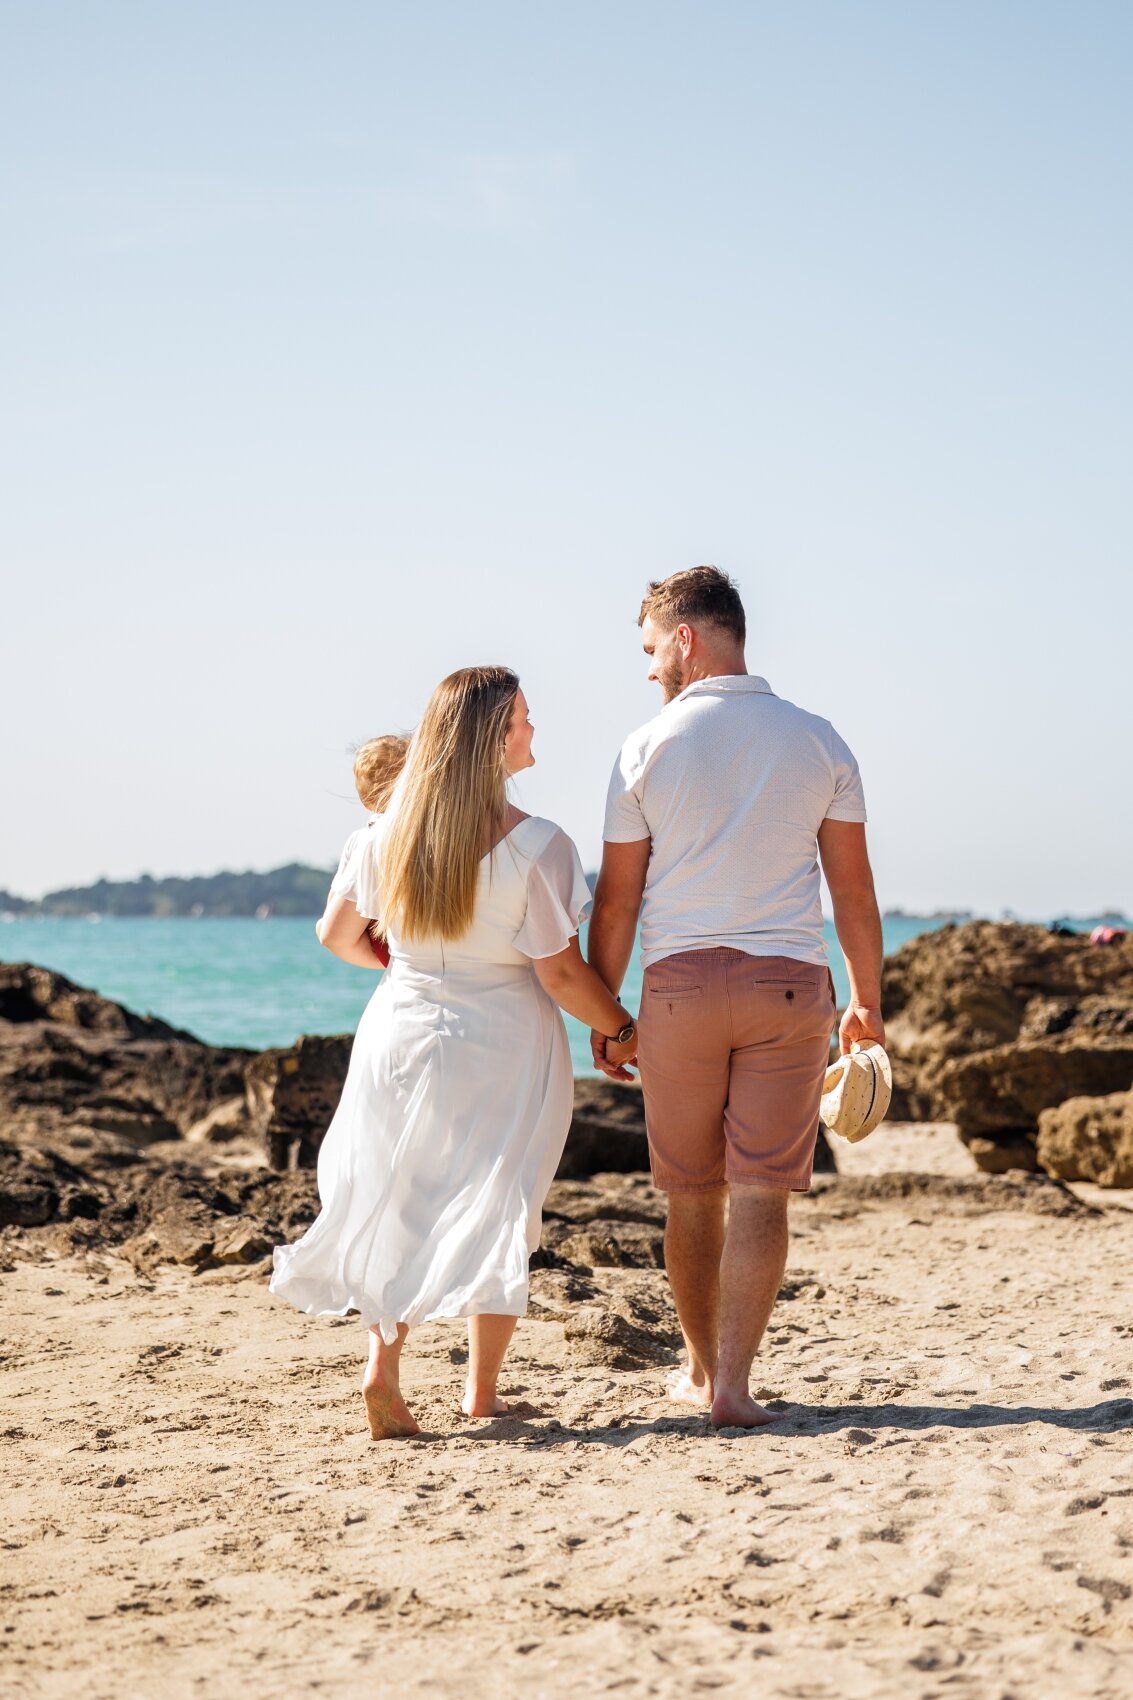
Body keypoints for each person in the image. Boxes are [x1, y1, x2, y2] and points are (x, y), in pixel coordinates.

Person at [271, 666, 638, 1440]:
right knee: (501, 1202)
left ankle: (384, 1370)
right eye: (526, 719)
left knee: (398, 1196)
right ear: (495, 737)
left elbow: (336, 936)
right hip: (501, 1038)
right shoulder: (538, 844)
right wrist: (621, 1029)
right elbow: (562, 972)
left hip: (399, 1028)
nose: (536, 732)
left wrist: (408, 970)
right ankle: (480, 1392)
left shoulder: (379, 837)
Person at [587, 567, 884, 1429]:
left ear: (686, 638)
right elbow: (854, 895)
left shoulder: (643, 748)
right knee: (760, 1192)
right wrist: (864, 998)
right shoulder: (818, 739)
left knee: (690, 1193)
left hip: (678, 986)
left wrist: (607, 1016)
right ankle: (732, 1388)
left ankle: (694, 1367)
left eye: (650, 648)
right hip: (789, 984)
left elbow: (616, 903)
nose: (648, 670)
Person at [327, 734, 411, 967]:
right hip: (408, 939)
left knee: (322, 926)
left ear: (366, 802)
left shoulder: (362, 839)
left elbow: (333, 917)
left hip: (382, 942)